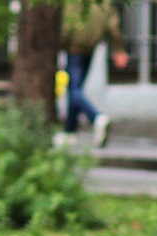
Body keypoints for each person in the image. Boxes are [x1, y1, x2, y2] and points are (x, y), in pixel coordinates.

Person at [62, 0, 129, 148]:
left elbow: (67, 22)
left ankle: (96, 117)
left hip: (74, 46)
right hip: (90, 46)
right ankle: (70, 131)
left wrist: (61, 41)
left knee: (74, 89)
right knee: (75, 87)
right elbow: (112, 24)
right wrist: (118, 48)